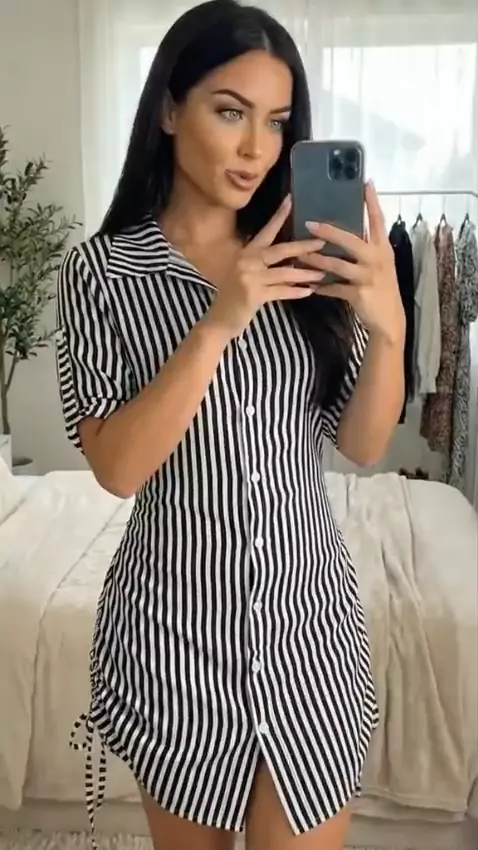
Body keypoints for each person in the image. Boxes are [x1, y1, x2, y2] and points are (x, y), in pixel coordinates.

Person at [56, 2, 405, 848]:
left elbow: (362, 446)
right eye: (230, 111)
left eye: (278, 122)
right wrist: (219, 320)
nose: (257, 149)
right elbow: (118, 470)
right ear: (170, 110)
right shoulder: (103, 273)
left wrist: (391, 327)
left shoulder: (311, 262)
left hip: (310, 639)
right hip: (171, 643)